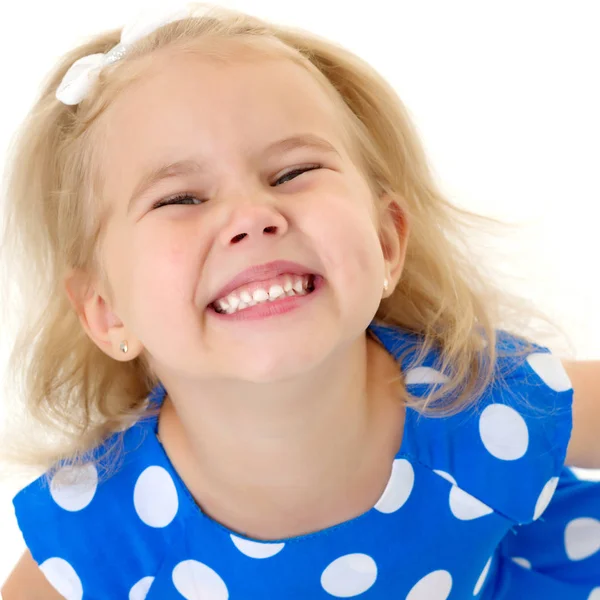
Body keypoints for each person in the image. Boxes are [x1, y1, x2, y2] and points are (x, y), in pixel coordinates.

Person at [1, 3, 599, 599]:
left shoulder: (483, 410)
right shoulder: (98, 539)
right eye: (180, 198)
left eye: (293, 172)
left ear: (387, 242)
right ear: (107, 312)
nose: (253, 217)